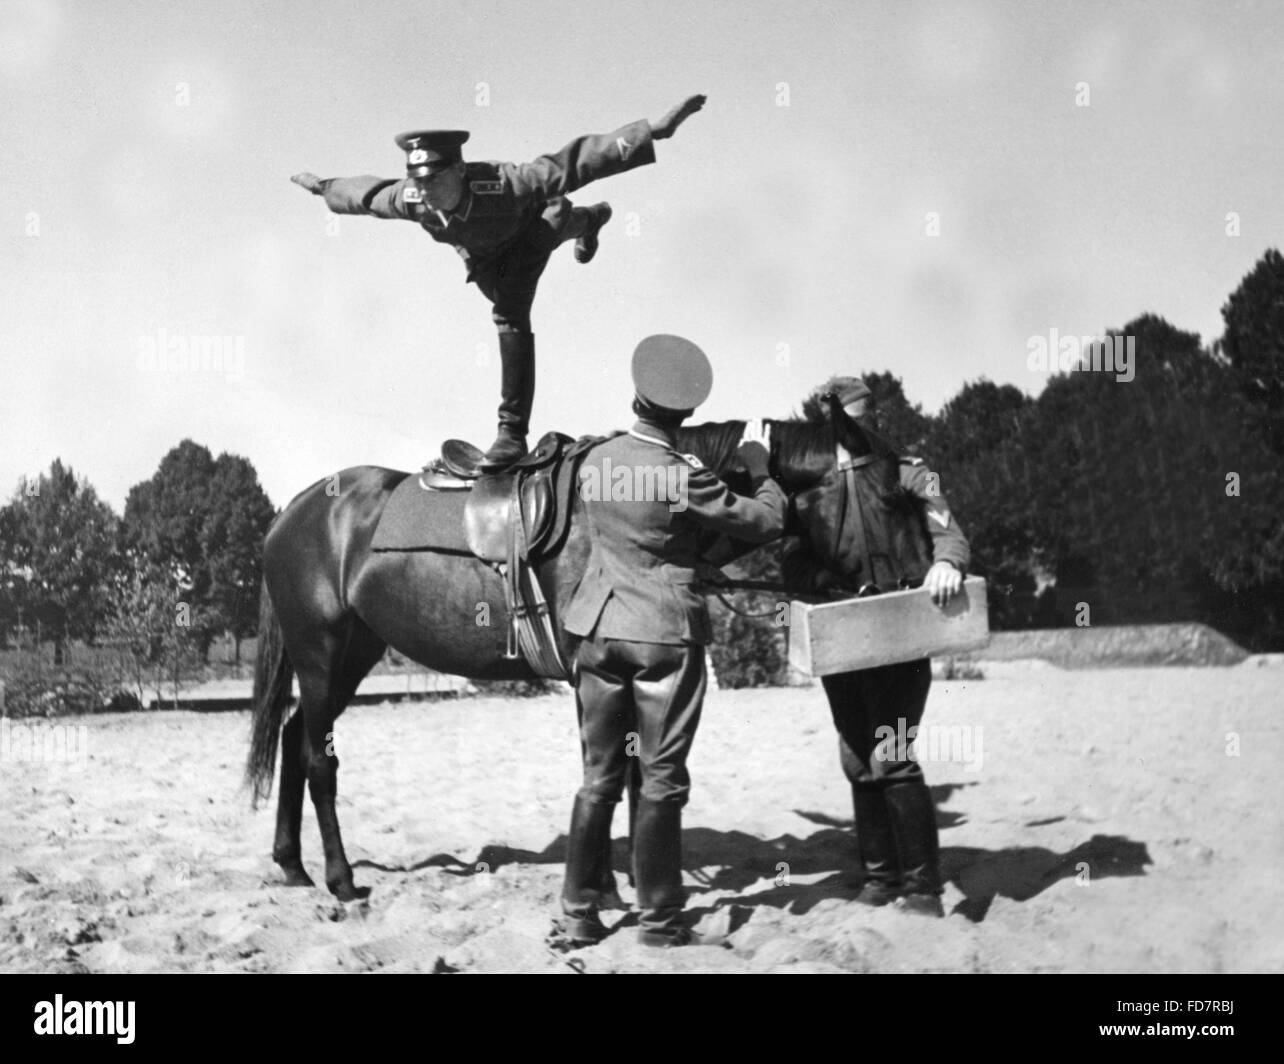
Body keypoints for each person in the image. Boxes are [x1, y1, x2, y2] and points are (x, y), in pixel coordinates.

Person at [290, 95, 707, 471]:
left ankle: (512, 433)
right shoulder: (413, 198)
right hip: (486, 261)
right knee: (514, 279)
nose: (424, 190)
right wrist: (324, 188)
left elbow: (574, 163)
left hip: (531, 230)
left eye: (433, 180)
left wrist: (652, 132)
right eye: (417, 180)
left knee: (510, 311)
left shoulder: (506, 183)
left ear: (458, 169)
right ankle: (591, 220)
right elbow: (369, 196)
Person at [555, 334, 788, 949]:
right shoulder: (682, 474)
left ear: (636, 394)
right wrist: (762, 469)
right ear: (685, 415)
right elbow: (763, 521)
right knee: (660, 778)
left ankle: (579, 912)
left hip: (599, 629)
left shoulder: (595, 461)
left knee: (598, 776)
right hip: (662, 636)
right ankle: (658, 921)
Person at [781, 376, 970, 917]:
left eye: (861, 421)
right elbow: (792, 561)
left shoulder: (911, 470)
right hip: (841, 635)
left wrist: (945, 564)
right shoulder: (808, 487)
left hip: (901, 631)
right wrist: (817, 578)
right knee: (858, 758)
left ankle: (923, 887)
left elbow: (949, 531)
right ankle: (881, 879)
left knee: (893, 757)